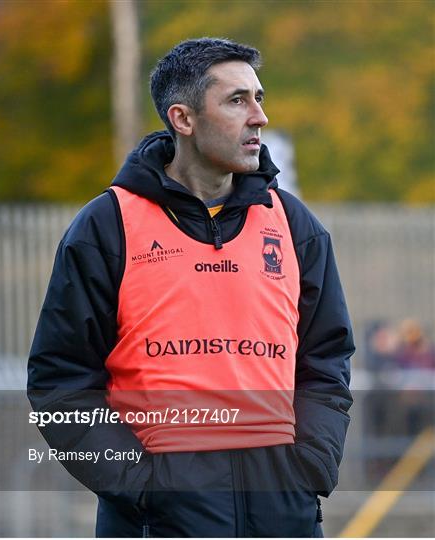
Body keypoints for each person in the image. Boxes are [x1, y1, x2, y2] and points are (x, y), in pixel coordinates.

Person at [28, 38, 354, 538]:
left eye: (259, 97)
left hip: (284, 512)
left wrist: (310, 464)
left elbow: (327, 361)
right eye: (236, 100)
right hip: (156, 520)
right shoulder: (108, 225)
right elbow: (60, 382)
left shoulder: (293, 224)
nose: (259, 117)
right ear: (182, 119)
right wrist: (141, 486)